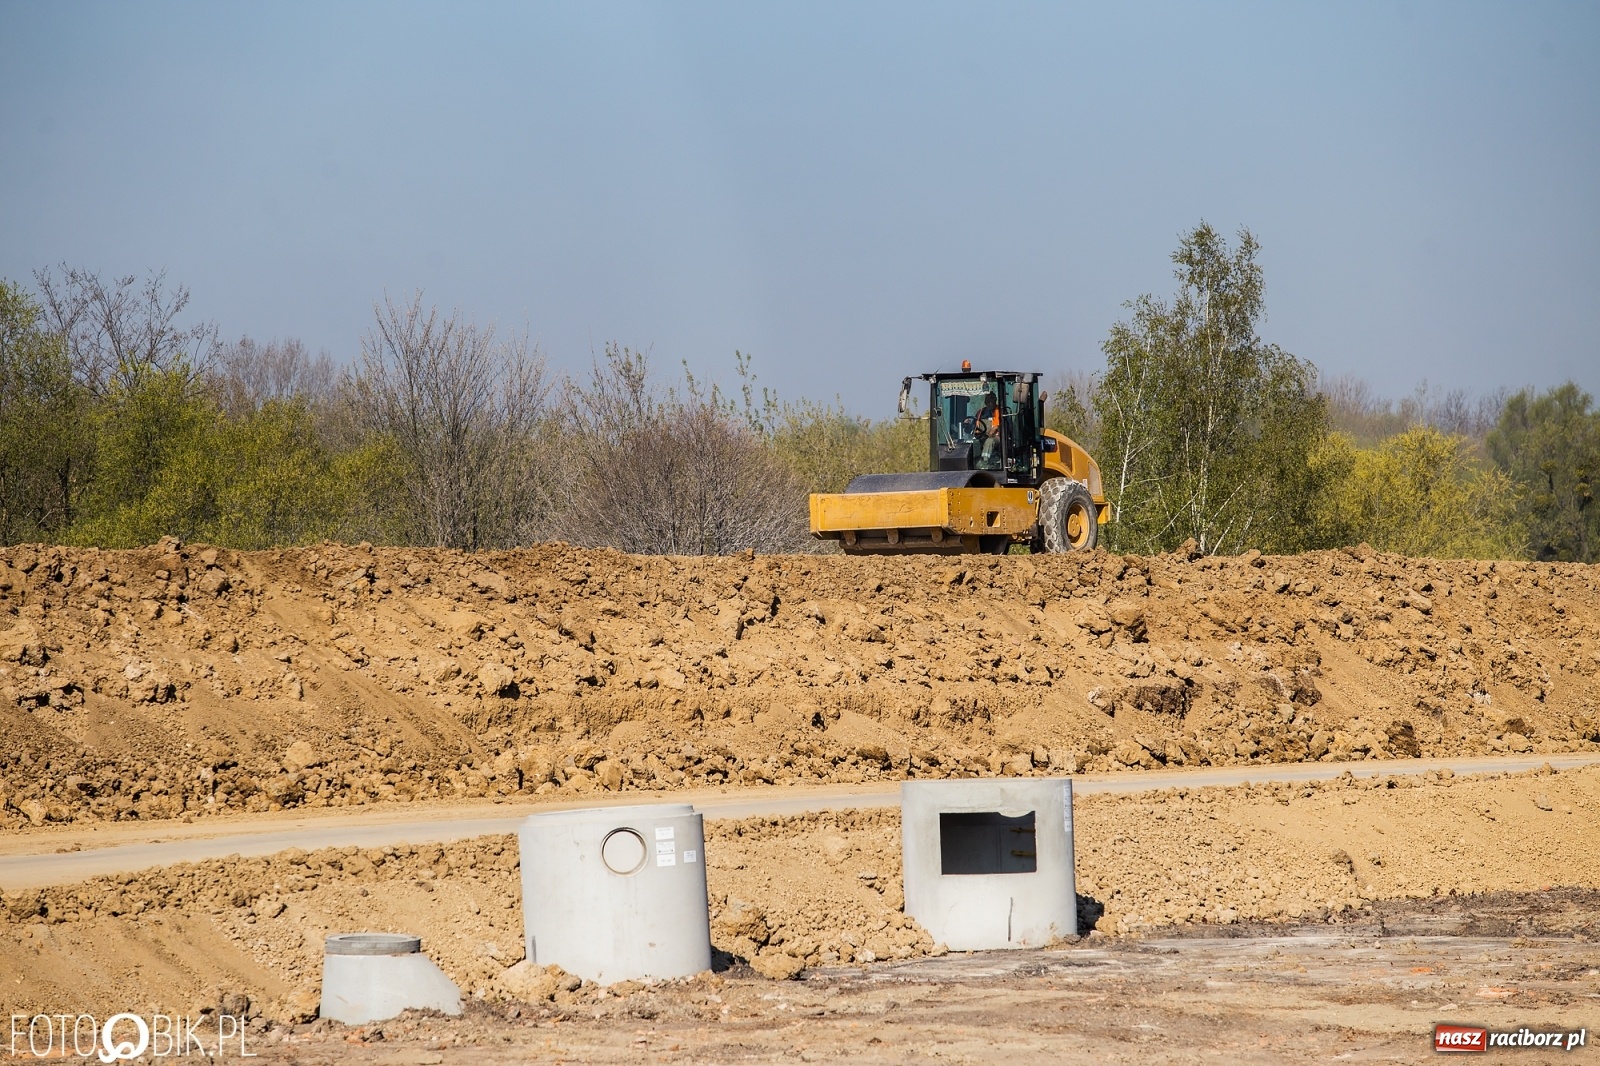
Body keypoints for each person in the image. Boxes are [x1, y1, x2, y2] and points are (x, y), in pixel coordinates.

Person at [974, 391, 1001, 468]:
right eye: (987, 401)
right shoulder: (981, 412)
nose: (989, 403)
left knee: (990, 441)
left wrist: (993, 430)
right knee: (974, 443)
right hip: (983, 436)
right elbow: (976, 426)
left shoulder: (1000, 411)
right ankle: (973, 463)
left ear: (995, 400)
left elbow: (997, 427)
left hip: (997, 437)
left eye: (991, 401)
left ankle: (984, 462)